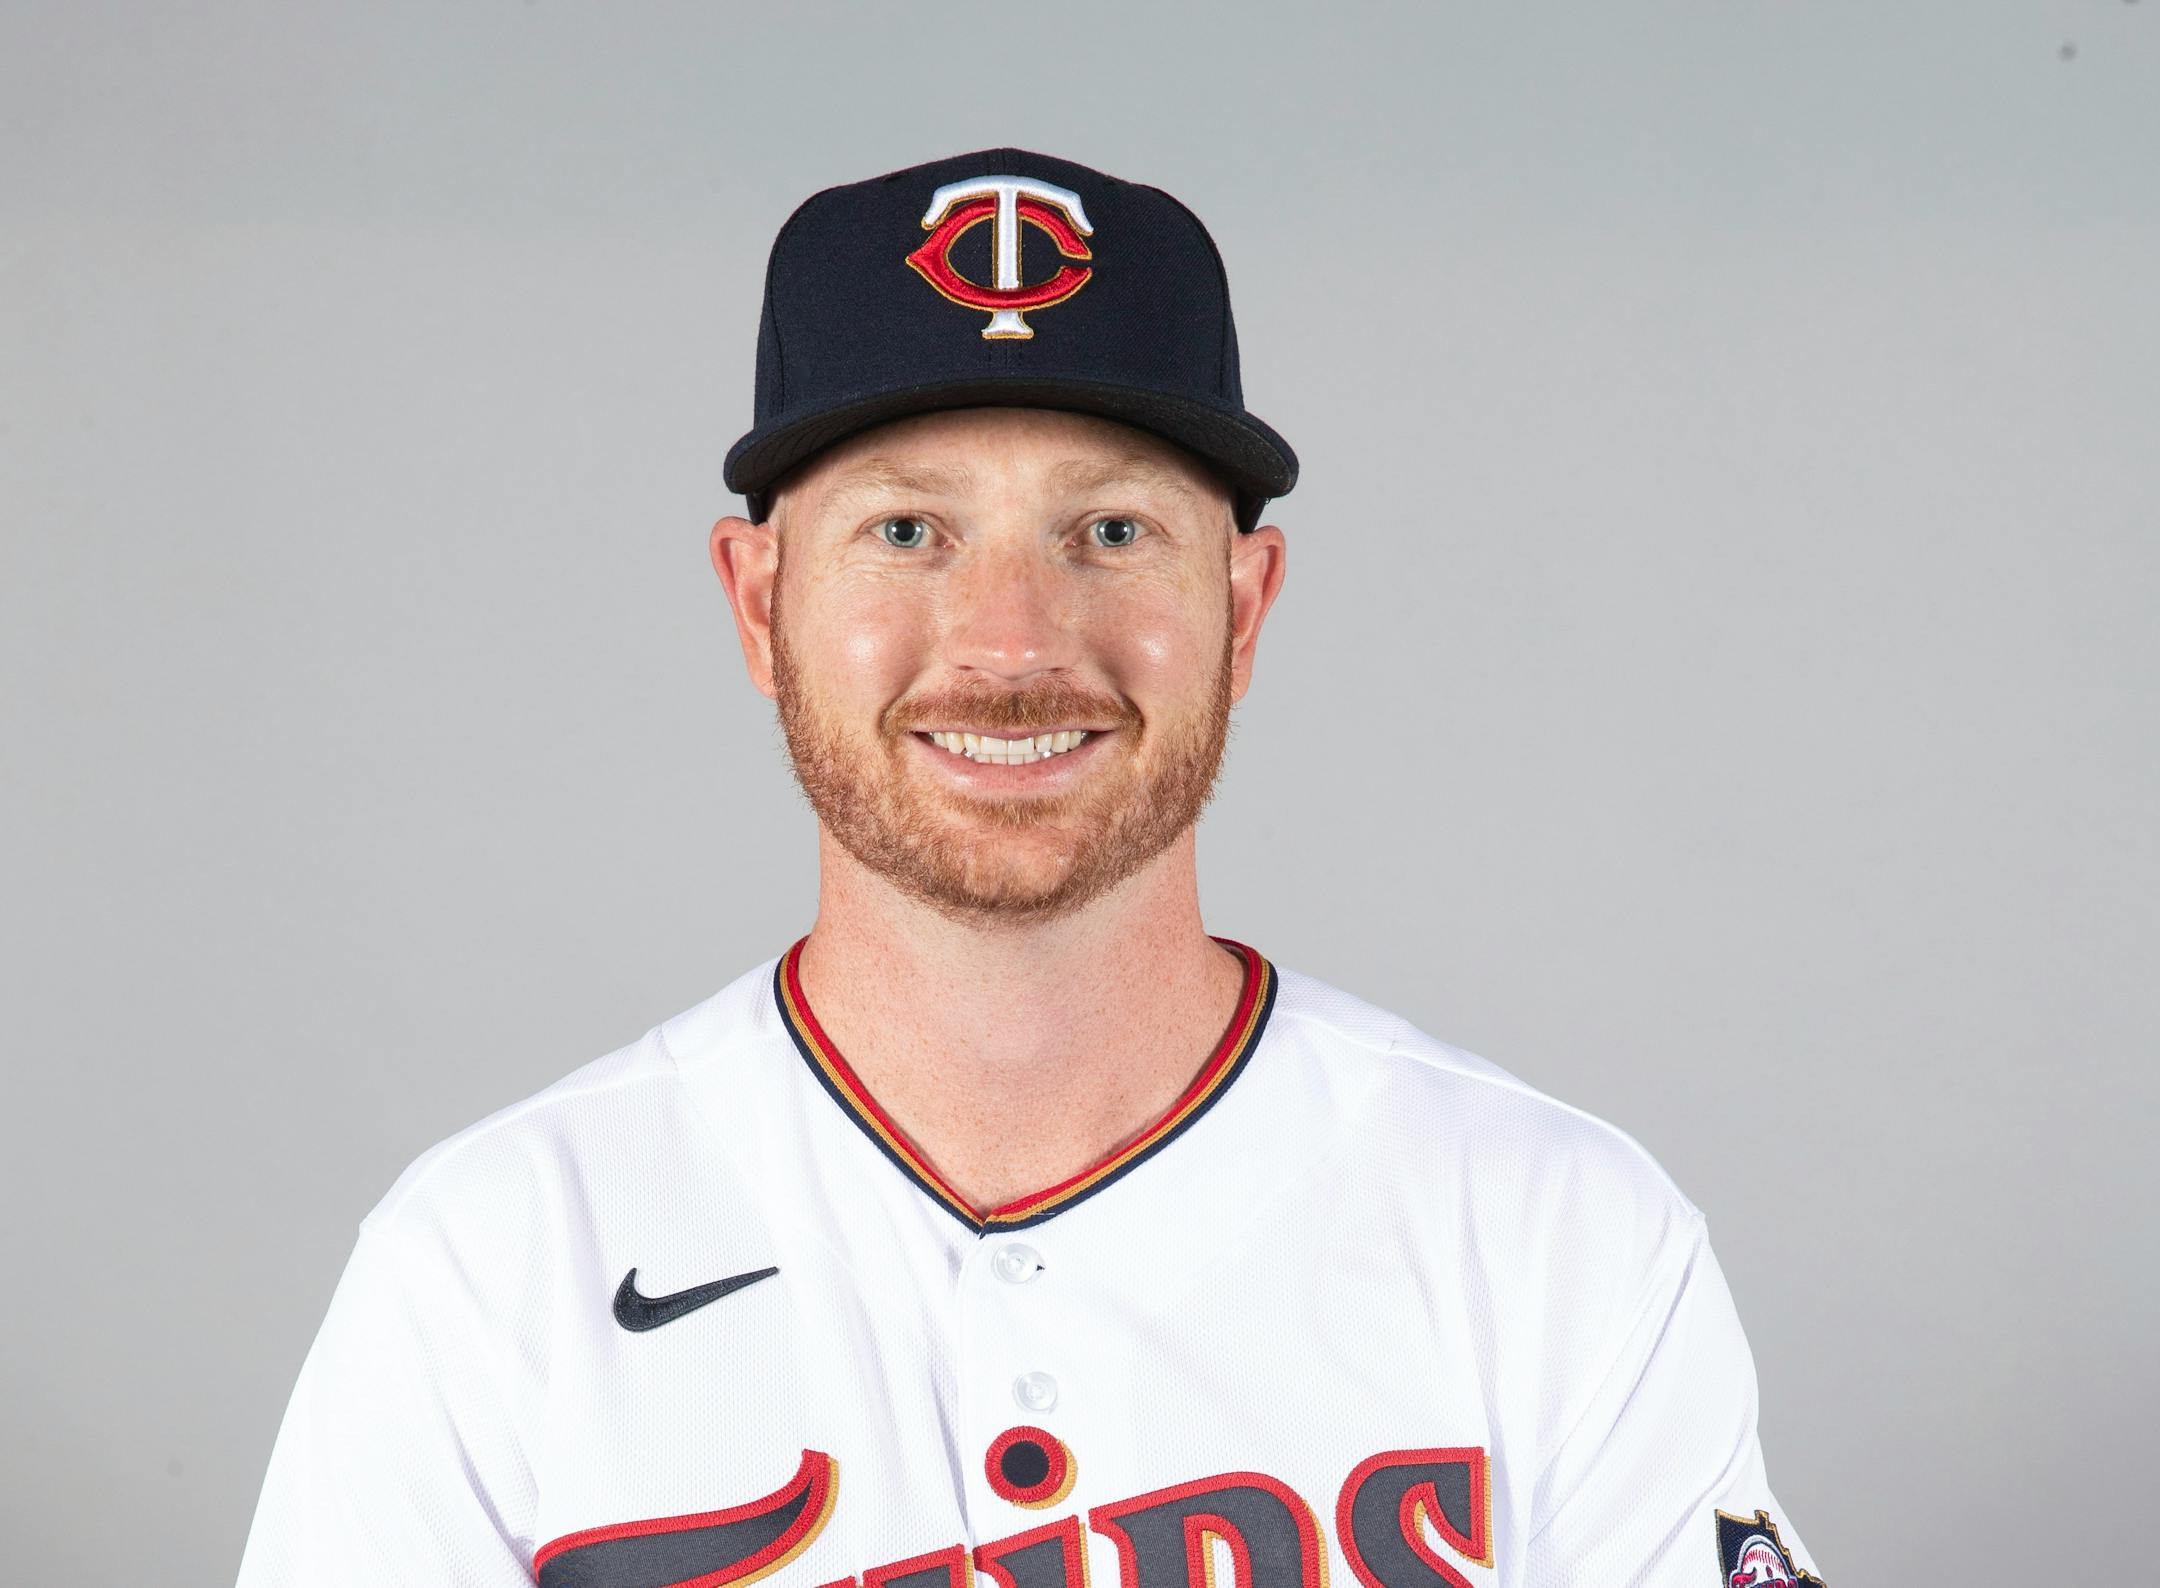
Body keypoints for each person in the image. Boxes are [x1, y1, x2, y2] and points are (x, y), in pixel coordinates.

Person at [235, 148, 1825, 1588]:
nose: (1010, 642)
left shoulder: (1556, 1240)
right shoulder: (492, 1268)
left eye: (1113, 532)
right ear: (756, 600)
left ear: (1246, 605)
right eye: (908, 531)